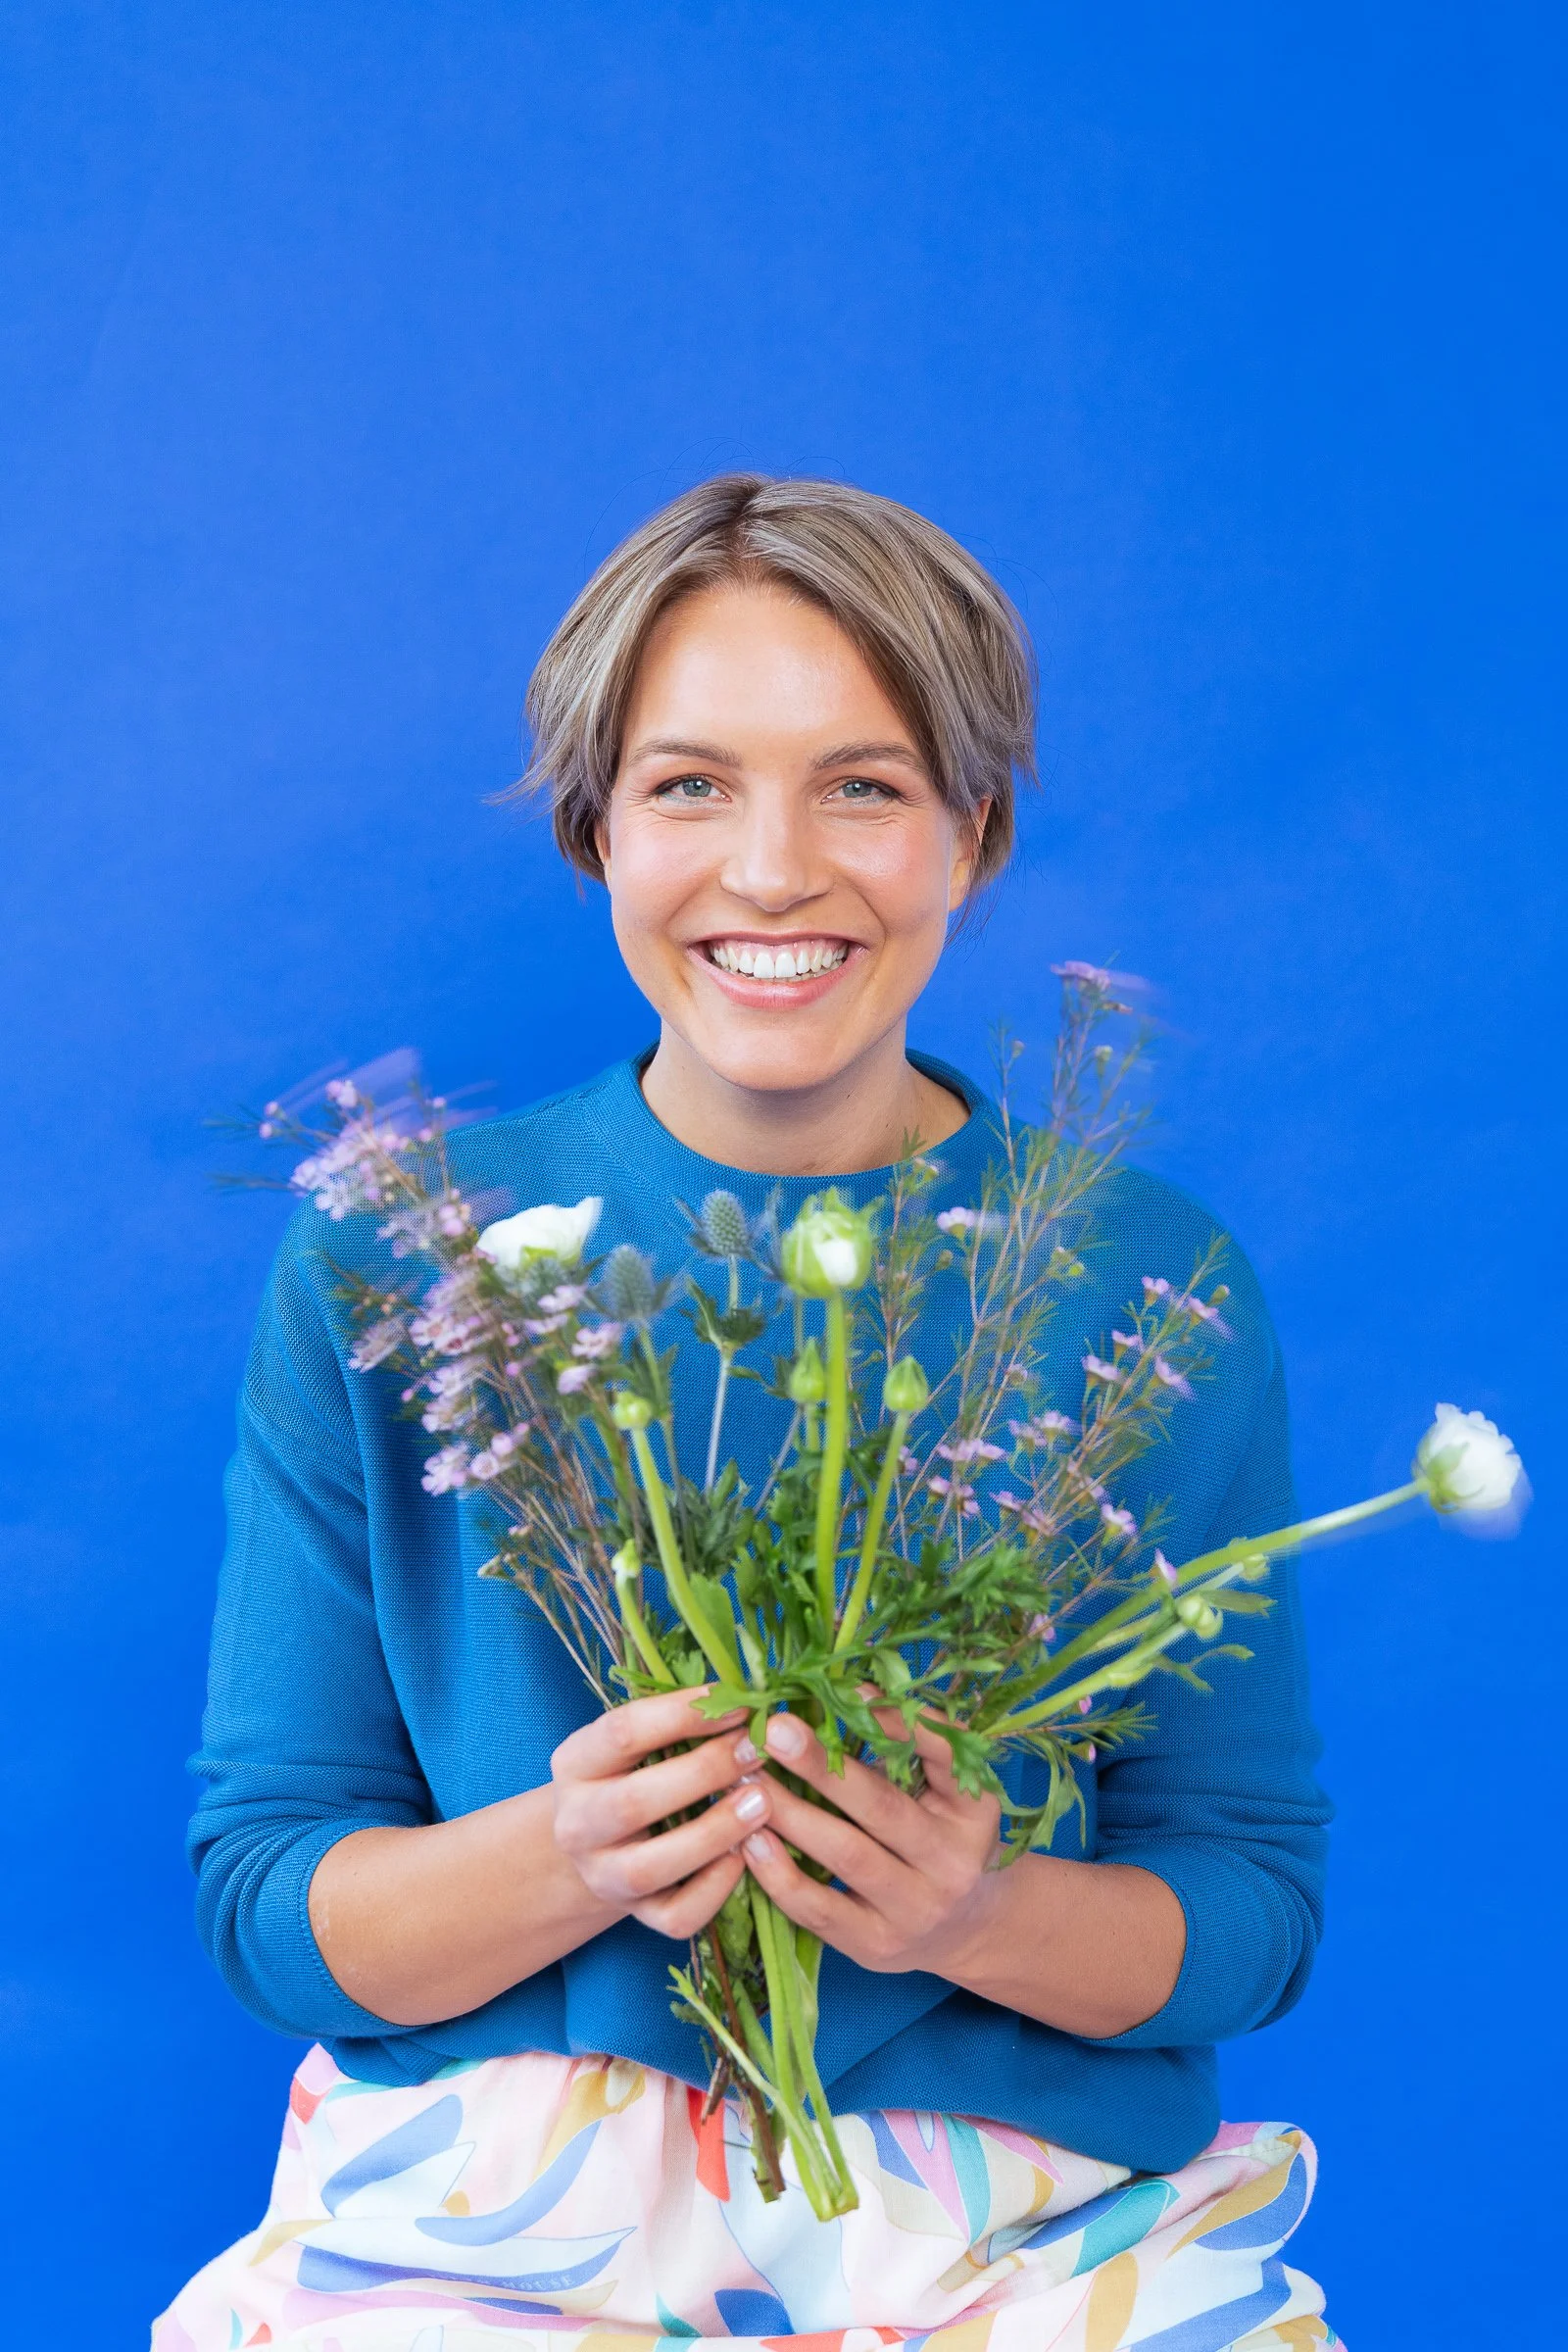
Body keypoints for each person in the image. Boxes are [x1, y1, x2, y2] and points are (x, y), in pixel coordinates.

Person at [156, 474, 1336, 2351]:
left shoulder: (1145, 1285)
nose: (773, 870)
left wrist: (967, 1915)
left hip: (1030, 2217)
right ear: (593, 836)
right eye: (689, 785)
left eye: (864, 786)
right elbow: (269, 1899)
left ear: (977, 833)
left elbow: (1249, 1906)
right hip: (498, 2209)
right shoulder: (397, 1268)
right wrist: (570, 1855)